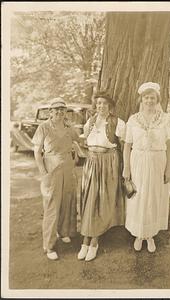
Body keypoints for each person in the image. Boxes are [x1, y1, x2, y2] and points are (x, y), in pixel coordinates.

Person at [122, 82, 170, 252]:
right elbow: (127, 146)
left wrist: (168, 169)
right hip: (137, 161)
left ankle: (150, 234)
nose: (149, 100)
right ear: (142, 99)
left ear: (157, 99)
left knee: (153, 196)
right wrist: (126, 168)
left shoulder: (165, 119)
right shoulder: (133, 119)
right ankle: (139, 234)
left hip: (157, 161)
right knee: (138, 196)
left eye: (152, 97)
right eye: (146, 97)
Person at [78, 91, 125, 261]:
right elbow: (85, 144)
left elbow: (124, 147)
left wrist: (124, 170)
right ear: (95, 106)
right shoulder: (89, 122)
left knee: (101, 201)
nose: (101, 106)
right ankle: (85, 241)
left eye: (105, 104)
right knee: (89, 200)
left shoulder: (117, 123)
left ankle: (94, 241)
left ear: (110, 107)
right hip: (91, 163)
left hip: (108, 163)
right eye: (98, 103)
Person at [32, 98, 79, 260]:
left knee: (68, 201)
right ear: (50, 112)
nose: (59, 112)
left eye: (62, 109)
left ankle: (64, 231)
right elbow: (37, 152)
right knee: (52, 206)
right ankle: (49, 245)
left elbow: (79, 140)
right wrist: (43, 172)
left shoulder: (69, 127)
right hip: (51, 168)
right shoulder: (43, 127)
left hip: (68, 167)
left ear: (65, 112)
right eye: (56, 109)